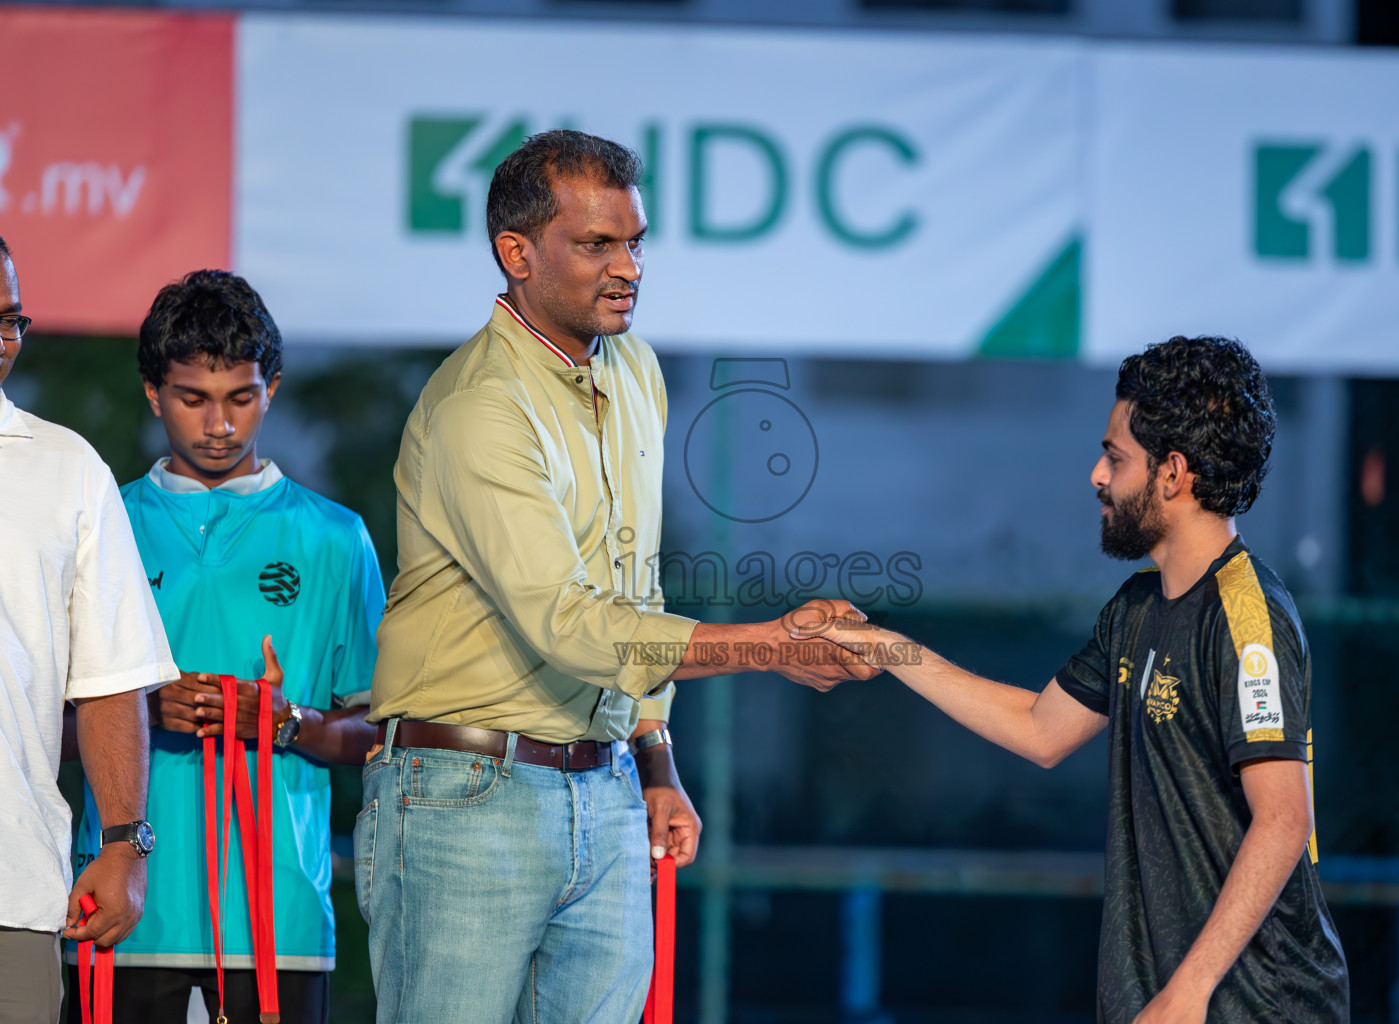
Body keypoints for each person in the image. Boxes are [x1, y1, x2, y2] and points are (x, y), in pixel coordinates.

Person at [363, 129, 874, 1024]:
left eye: (635, 241)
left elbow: (632, 589)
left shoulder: (633, 367)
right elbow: (568, 622)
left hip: (603, 793)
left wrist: (655, 760)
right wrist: (768, 645)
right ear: (515, 254)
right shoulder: (478, 406)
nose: (627, 266)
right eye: (596, 244)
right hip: (465, 798)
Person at [809, 336, 1349, 1023]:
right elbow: (1039, 729)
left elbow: (1283, 819)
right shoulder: (1136, 609)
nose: (1097, 475)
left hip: (1257, 1008)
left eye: (1116, 458)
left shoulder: (1248, 616)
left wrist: (1188, 993)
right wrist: (884, 648)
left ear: (1173, 473)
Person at [63, 270, 385, 1023]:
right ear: (152, 392)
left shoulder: (336, 538)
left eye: (241, 397)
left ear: (270, 386)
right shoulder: (98, 521)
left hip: (280, 923)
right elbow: (34, 730)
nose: (219, 425)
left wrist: (282, 720)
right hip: (121, 913)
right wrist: (138, 711)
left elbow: (385, 733)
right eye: (193, 398)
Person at [0, 235, 177, 1024]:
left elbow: (110, 679)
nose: (2, 343)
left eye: (10, 321)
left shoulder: (67, 467)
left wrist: (123, 845)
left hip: (14, 883)